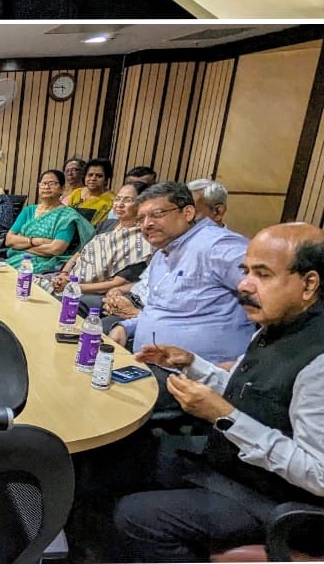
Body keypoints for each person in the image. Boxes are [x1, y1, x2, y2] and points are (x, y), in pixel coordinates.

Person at [114, 223, 324, 562]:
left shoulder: (318, 361)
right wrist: (191, 363)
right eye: (246, 271)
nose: (243, 285)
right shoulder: (277, 325)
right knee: (127, 454)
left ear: (308, 283)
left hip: (278, 501)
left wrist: (224, 417)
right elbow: (254, 393)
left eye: (263, 274)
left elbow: (319, 474)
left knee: (136, 515)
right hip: (234, 467)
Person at [104, 182, 254, 381]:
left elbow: (275, 299)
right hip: (149, 359)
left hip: (196, 374)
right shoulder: (163, 253)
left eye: (157, 214)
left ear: (188, 213)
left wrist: (244, 366)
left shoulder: (217, 246)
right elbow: (162, 311)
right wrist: (127, 326)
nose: (147, 224)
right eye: (141, 218)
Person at [40, 180, 151, 308]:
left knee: (55, 302)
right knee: (33, 284)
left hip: (96, 292)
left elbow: (118, 282)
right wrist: (64, 274)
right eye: (118, 199)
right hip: (72, 279)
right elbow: (79, 254)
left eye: (127, 200)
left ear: (142, 205)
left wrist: (76, 287)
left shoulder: (142, 240)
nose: (119, 204)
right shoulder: (106, 225)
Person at [4, 169, 95, 274]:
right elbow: (9, 240)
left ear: (62, 189)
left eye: (52, 183)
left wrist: (21, 247)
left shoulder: (67, 216)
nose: (46, 187)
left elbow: (55, 249)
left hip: (43, 264)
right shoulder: (29, 210)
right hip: (14, 259)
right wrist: (34, 241)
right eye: (43, 183)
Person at [66, 157, 116, 226]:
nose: (93, 179)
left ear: (106, 180)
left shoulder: (111, 200)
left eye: (99, 176)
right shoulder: (76, 193)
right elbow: (66, 217)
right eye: (90, 175)